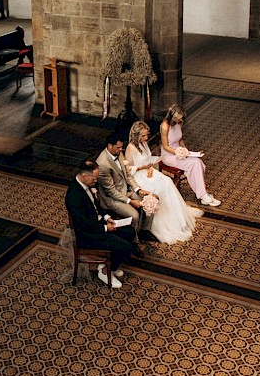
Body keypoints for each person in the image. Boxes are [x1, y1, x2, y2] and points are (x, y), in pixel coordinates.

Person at [65, 160, 138, 288]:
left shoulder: (89, 185)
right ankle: (106, 271)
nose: (95, 181)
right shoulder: (73, 195)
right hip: (87, 234)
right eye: (93, 179)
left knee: (130, 232)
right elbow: (83, 224)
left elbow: (97, 205)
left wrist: (107, 217)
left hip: (98, 223)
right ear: (84, 176)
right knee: (126, 247)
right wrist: (105, 228)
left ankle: (108, 265)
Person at [124, 121, 201, 244]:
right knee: (157, 188)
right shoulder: (130, 148)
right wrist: (142, 168)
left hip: (148, 171)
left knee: (167, 181)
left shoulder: (144, 144)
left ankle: (175, 218)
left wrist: (149, 167)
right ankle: (155, 224)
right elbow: (128, 170)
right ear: (136, 135)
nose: (146, 138)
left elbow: (148, 158)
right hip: (138, 176)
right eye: (143, 136)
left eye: (146, 135)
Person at [95, 133, 154, 241]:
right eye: (118, 147)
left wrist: (138, 190)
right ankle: (132, 241)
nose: (121, 150)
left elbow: (128, 174)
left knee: (150, 201)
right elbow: (111, 191)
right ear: (109, 146)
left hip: (126, 190)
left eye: (121, 147)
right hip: (112, 198)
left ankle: (144, 231)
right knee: (134, 215)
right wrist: (131, 201)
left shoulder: (119, 153)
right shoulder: (102, 164)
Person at [159, 104, 221, 207]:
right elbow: (165, 146)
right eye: (178, 119)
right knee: (194, 164)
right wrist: (178, 152)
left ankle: (202, 194)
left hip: (179, 151)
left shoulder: (179, 123)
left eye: (181, 118)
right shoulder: (165, 126)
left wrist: (186, 150)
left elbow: (180, 139)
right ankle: (203, 195)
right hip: (168, 155)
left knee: (199, 162)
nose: (180, 121)